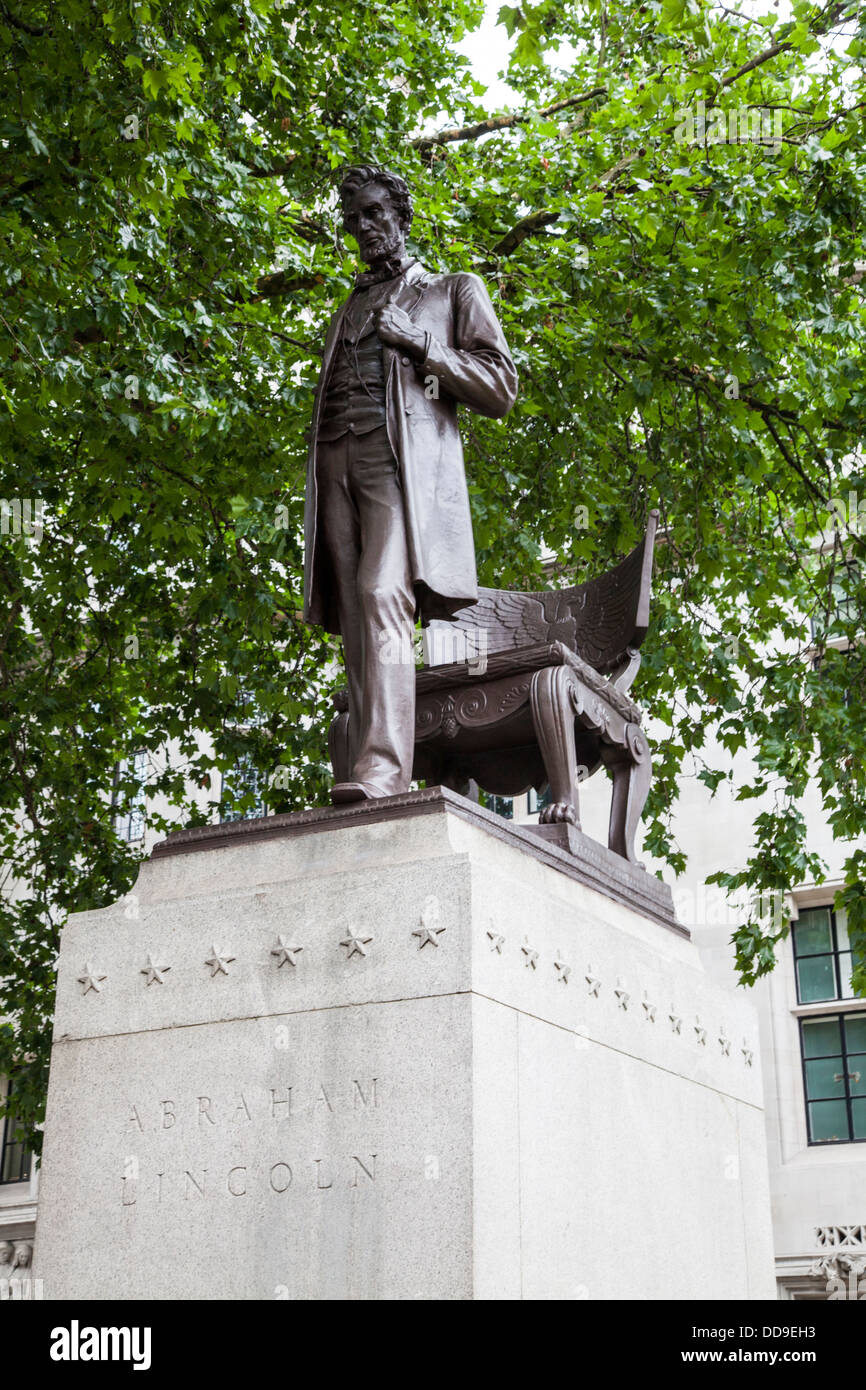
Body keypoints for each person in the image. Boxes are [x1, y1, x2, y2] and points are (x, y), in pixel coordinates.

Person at [303, 165, 518, 801]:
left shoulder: (452, 290)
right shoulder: (347, 306)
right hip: (333, 462)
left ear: (401, 214)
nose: (363, 228)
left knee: (380, 594)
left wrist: (424, 344)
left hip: (398, 467)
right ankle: (367, 769)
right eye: (353, 220)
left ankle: (383, 770)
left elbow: (500, 387)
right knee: (356, 615)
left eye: (374, 213)